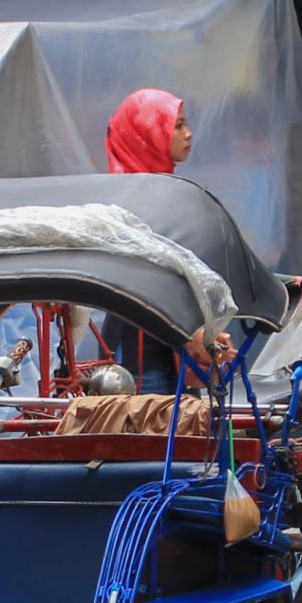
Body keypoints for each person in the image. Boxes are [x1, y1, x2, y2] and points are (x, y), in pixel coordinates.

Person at [96, 87, 224, 389]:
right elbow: (141, 281)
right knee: (153, 430)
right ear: (147, 132)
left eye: (185, 123)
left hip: (176, 348)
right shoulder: (129, 202)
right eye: (177, 125)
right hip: (142, 358)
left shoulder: (168, 191)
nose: (189, 134)